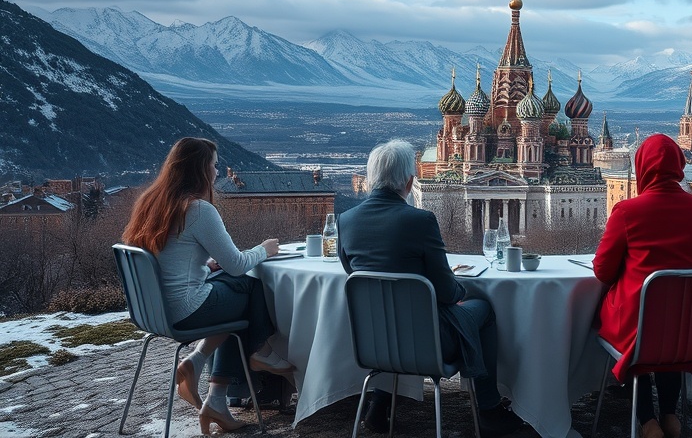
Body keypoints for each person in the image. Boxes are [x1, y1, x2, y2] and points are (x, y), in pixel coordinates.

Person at [337, 139, 522, 438]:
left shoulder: (346, 221)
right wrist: (460, 294)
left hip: (373, 340)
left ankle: (379, 403)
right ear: (410, 182)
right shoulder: (419, 220)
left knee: (394, 319)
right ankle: (488, 409)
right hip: (429, 342)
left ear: (371, 179)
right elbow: (448, 293)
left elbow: (355, 276)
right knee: (484, 310)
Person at [121, 137, 293, 434]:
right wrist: (265, 249)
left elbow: (171, 256)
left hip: (154, 310)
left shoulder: (151, 202)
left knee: (232, 290)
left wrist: (204, 265)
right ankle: (260, 352)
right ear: (200, 170)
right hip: (186, 310)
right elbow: (238, 264)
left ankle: (205, 372)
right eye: (213, 166)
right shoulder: (198, 209)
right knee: (248, 287)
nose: (216, 172)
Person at [593, 133, 692, 438]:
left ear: (642, 168)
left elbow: (603, 271)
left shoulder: (627, 212)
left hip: (639, 328)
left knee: (644, 334)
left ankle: (648, 422)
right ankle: (670, 415)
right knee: (671, 334)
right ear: (680, 166)